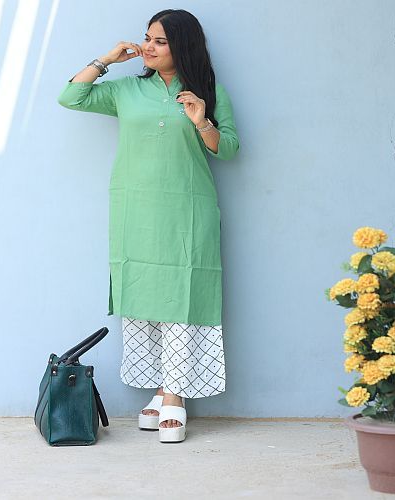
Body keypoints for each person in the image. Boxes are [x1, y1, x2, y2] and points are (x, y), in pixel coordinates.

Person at [58, 9, 239, 443]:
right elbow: (71, 96)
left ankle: (175, 396)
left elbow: (229, 149)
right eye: (147, 38)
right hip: (135, 213)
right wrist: (107, 59)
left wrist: (202, 121)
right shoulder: (127, 90)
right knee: (145, 299)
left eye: (160, 40)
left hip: (187, 213)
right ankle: (161, 388)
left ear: (183, 46)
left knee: (183, 296)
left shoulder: (208, 92)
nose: (148, 46)